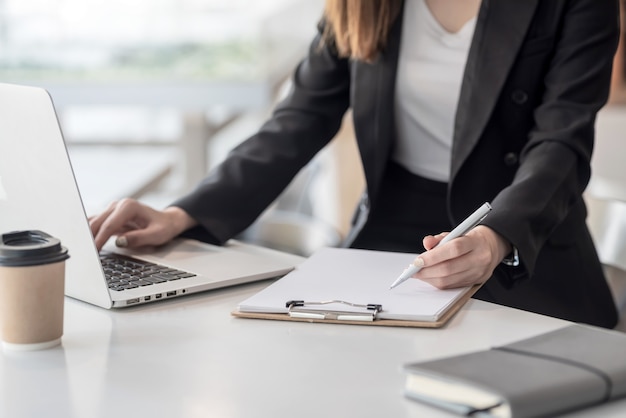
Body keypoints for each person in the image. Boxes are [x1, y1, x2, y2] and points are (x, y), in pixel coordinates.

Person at [90, 0, 620, 328]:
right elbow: (300, 118)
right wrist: (184, 213)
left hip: (519, 236)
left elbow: (561, 144)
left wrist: (497, 237)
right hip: (391, 236)